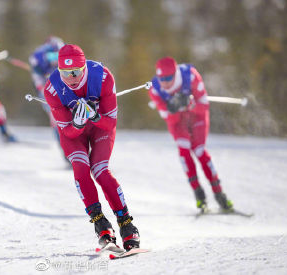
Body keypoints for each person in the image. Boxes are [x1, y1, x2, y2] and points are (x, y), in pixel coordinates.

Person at [43, 44, 140, 251]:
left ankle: (126, 224)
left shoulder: (102, 76)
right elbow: (67, 132)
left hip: (100, 128)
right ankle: (101, 225)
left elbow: (110, 123)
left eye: (75, 72)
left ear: (84, 68)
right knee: (80, 166)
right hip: (74, 134)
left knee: (100, 170)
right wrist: (77, 124)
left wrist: (95, 116)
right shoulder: (51, 88)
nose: (71, 78)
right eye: (64, 73)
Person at [148, 56, 233, 211]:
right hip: (178, 121)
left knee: (199, 150)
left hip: (197, 117)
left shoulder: (191, 76)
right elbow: (169, 119)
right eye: (161, 78)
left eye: (168, 78)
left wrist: (190, 103)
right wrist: (173, 108)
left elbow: (204, 106)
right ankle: (199, 195)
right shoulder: (155, 89)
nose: (165, 82)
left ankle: (220, 195)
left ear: (175, 74)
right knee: (184, 150)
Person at [28, 36, 64, 143]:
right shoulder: (38, 60)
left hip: (63, 88)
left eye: (57, 56)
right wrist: (43, 87)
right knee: (54, 116)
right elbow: (37, 80)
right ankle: (61, 143)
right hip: (46, 88)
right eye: (51, 56)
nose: (55, 60)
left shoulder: (67, 59)